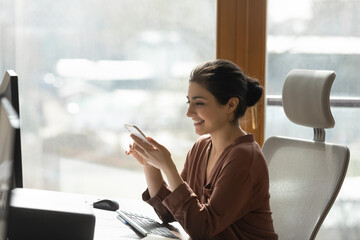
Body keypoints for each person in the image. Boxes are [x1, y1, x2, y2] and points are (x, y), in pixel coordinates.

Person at [126, 59, 278, 240]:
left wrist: (168, 167)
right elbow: (171, 213)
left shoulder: (245, 158)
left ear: (231, 105)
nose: (189, 112)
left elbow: (202, 229)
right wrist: (150, 165)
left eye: (199, 103)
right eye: (189, 102)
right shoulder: (202, 145)